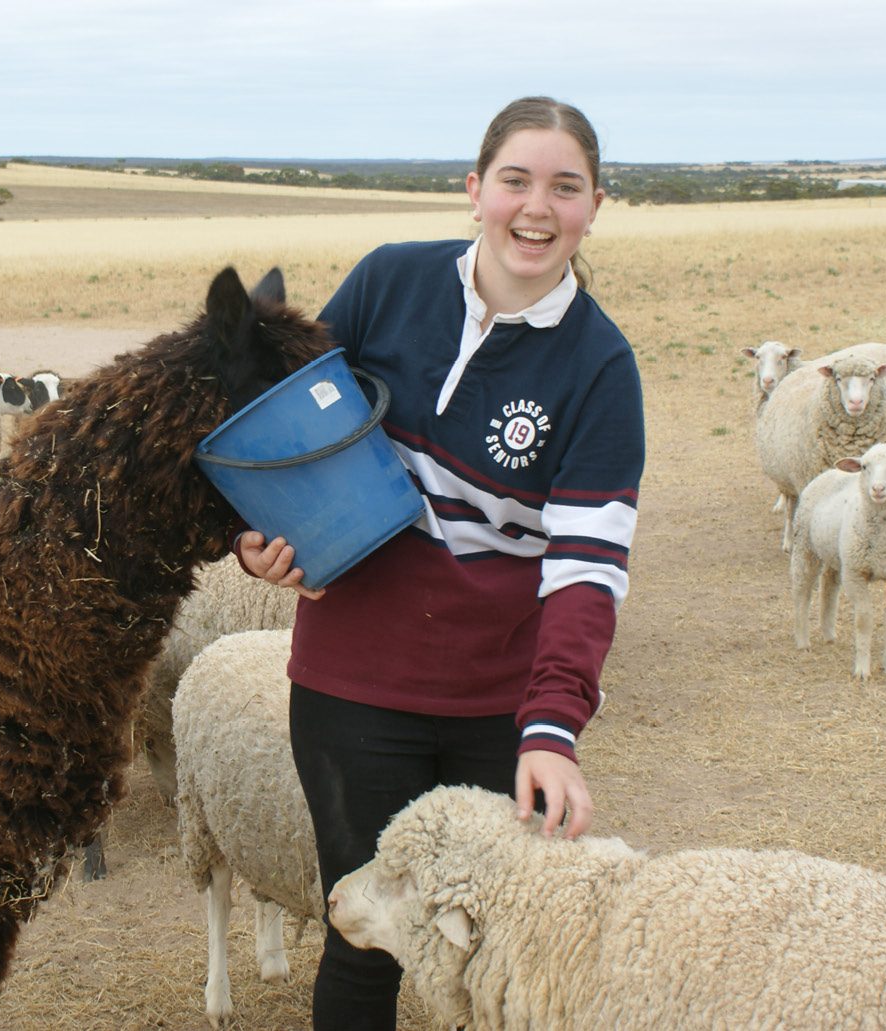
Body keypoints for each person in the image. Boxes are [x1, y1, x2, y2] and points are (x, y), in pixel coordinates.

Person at [237, 96, 646, 1030]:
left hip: (494, 706)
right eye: (515, 180)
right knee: (363, 931)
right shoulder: (388, 284)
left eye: (564, 187)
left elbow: (584, 567)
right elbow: (287, 430)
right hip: (350, 688)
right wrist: (256, 533)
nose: (535, 207)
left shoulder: (599, 369)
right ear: (474, 191)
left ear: (593, 207)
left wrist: (550, 727)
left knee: (502, 946)